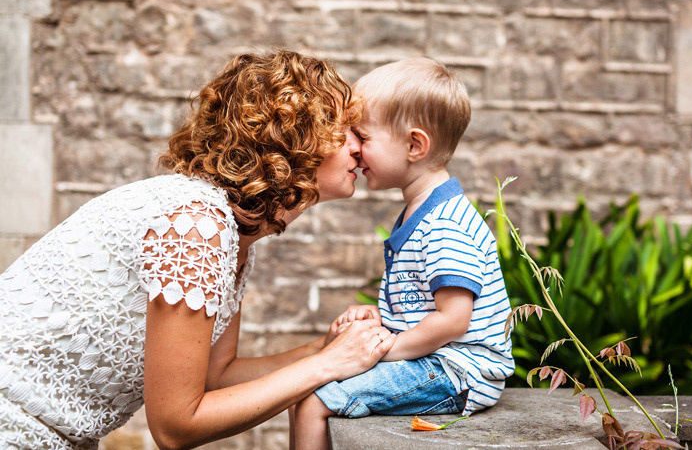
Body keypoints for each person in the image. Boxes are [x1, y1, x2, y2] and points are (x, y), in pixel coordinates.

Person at [0, 50, 396, 450]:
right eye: (344, 129)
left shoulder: (235, 233)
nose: (359, 147)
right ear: (295, 137)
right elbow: (175, 427)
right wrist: (327, 365)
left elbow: (216, 378)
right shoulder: (196, 225)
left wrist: (325, 348)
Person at [293, 58, 515, 449]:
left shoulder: (445, 223)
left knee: (313, 399)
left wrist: (383, 351)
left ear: (414, 145)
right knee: (309, 384)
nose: (355, 150)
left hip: (458, 371)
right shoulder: (422, 211)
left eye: (363, 136)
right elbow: (429, 306)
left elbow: (453, 322)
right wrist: (383, 318)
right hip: (438, 361)